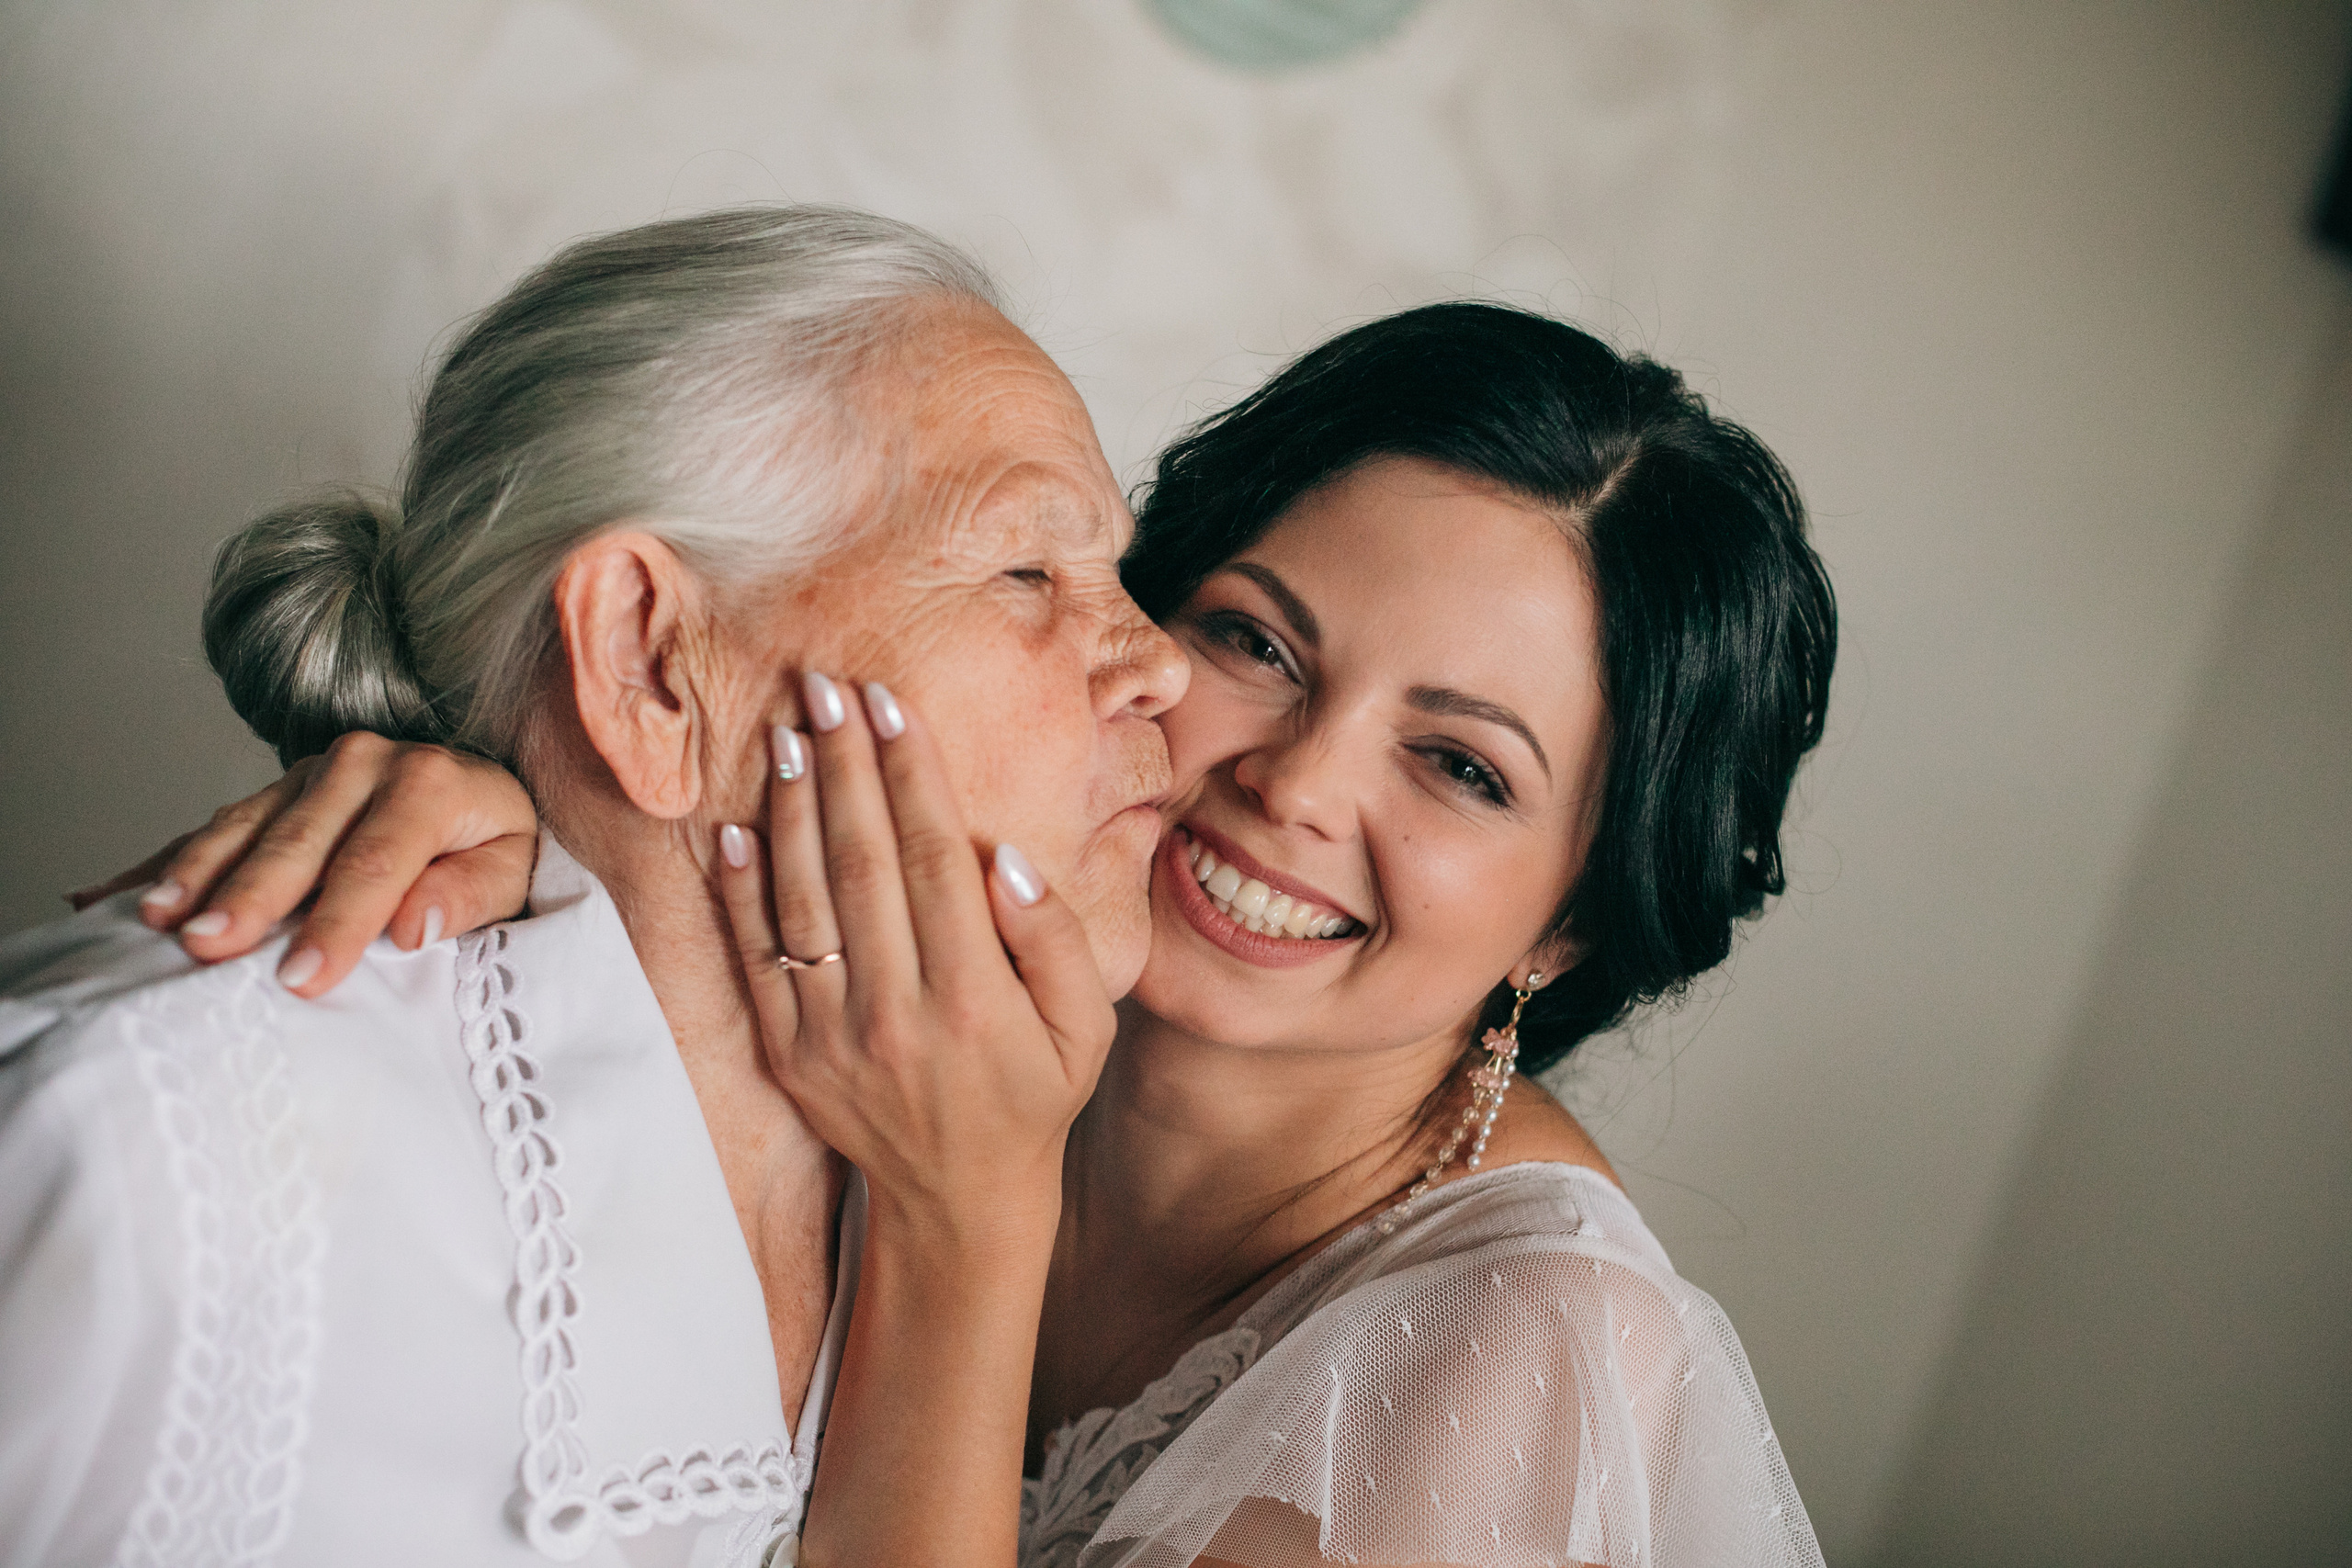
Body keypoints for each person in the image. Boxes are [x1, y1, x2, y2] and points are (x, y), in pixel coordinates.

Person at [117, 301, 1836, 1565]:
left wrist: (968, 1213)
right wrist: (501, 794)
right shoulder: (947, 967)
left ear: (1577, 923)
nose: (1294, 781)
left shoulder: (1519, 1363)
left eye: (1459, 766)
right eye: (1258, 642)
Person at [0, 205, 1189, 1566]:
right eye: (1027, 567)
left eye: (1121, 573)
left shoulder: (963, 1156)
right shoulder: (159, 1154)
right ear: (648, 666)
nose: (1160, 663)